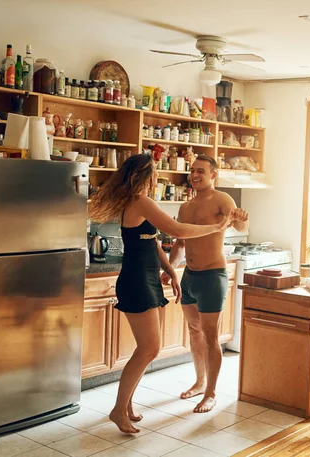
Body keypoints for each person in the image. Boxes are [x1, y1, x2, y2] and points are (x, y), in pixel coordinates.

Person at [88, 154, 232, 434]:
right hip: (137, 280)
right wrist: (215, 227)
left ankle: (126, 406)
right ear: (145, 175)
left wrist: (170, 268)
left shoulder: (136, 201)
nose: (156, 178)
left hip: (145, 278)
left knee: (146, 348)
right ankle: (118, 410)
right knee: (150, 349)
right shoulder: (141, 201)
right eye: (154, 173)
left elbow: (151, 239)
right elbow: (176, 230)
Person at [163, 155, 249, 413]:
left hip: (212, 276)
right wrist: (170, 268)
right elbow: (180, 242)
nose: (194, 175)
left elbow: (239, 224)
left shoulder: (222, 199)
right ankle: (200, 382)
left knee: (211, 336)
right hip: (189, 276)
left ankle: (211, 392)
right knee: (193, 331)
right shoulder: (185, 207)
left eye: (200, 170)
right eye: (192, 170)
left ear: (213, 174)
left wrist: (243, 217)